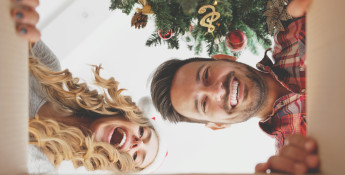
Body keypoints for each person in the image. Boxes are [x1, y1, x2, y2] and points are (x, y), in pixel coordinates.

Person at [150, 0, 318, 173]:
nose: (217, 91)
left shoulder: (290, 28)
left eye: (206, 75)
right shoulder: (295, 160)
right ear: (218, 125)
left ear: (224, 57)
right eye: (204, 104)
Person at [10, 0, 166, 174]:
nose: (138, 142)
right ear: (130, 114)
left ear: (117, 163)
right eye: (143, 131)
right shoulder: (48, 66)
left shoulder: (41, 166)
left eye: (136, 156)